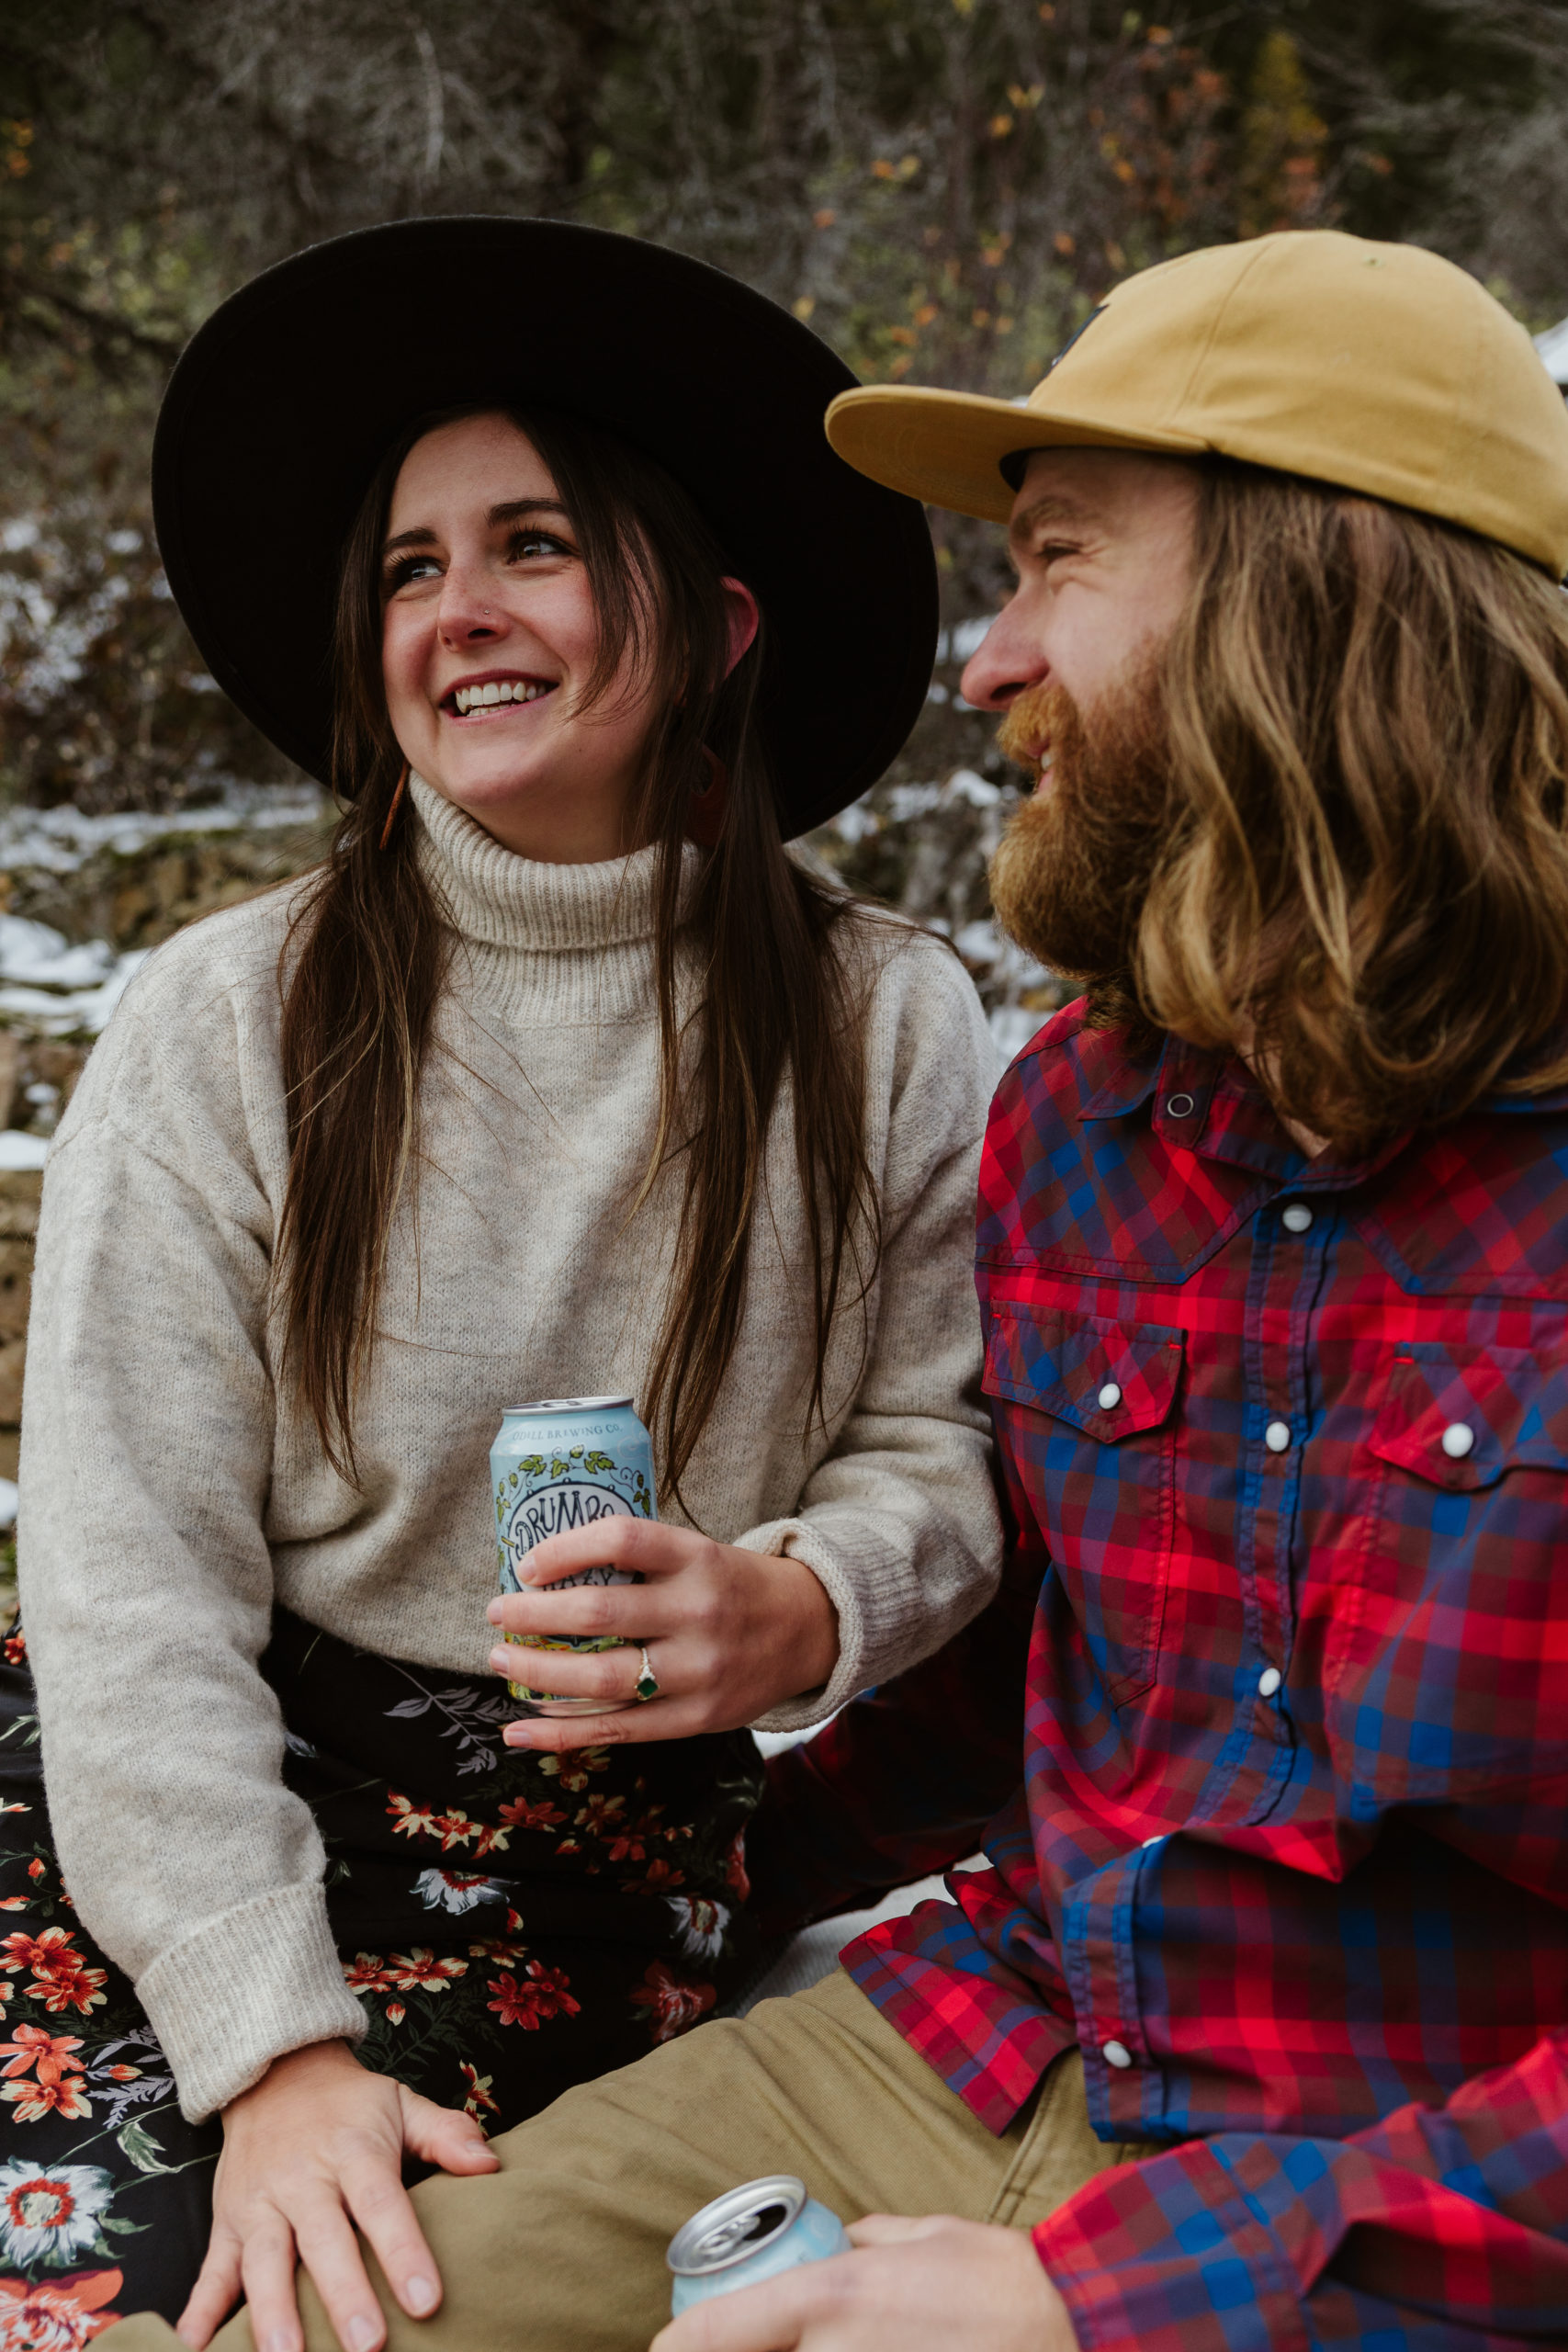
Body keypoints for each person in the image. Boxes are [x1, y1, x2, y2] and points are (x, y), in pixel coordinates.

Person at [96, 223, 1568, 2352]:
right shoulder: (1088, 1110)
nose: (988, 659)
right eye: (410, 567)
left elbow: (925, 1493)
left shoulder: (889, 1023)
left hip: (1394, 2165)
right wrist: (664, 1888)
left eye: (1056, 559)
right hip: (964, 2027)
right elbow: (1063, 1640)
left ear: (1307, 594)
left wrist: (1099, 2304)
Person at [0, 218, 1005, 2346]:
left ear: (716, 620)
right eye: (405, 568)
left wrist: (807, 1596)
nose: (455, 611)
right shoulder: (231, 1014)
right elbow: (124, 1578)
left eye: (531, 546)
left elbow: (946, 1440)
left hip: (589, 1839)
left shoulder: (886, 1023)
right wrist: (270, 2052)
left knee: (293, 2307)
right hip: (182, 1788)